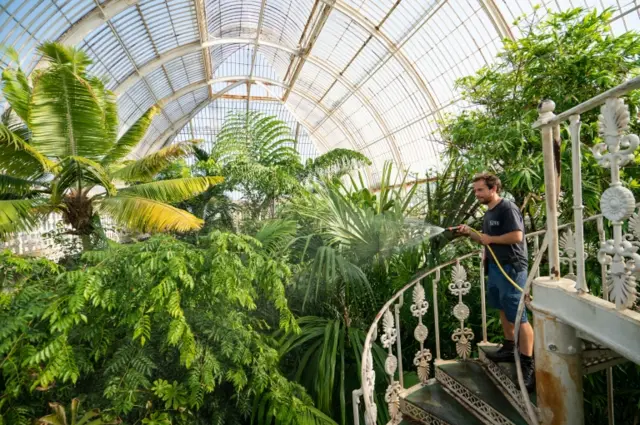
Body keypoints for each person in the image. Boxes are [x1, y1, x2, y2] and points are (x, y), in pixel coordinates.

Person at [458, 172, 535, 391]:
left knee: (518, 314)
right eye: (475, 190)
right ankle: (510, 346)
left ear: (493, 189)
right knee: (502, 306)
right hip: (495, 267)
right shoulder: (489, 212)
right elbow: (485, 238)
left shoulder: (507, 208)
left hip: (511, 266)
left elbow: (516, 236)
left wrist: (490, 239)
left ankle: (529, 364)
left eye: (480, 190)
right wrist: (469, 233)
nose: (477, 194)